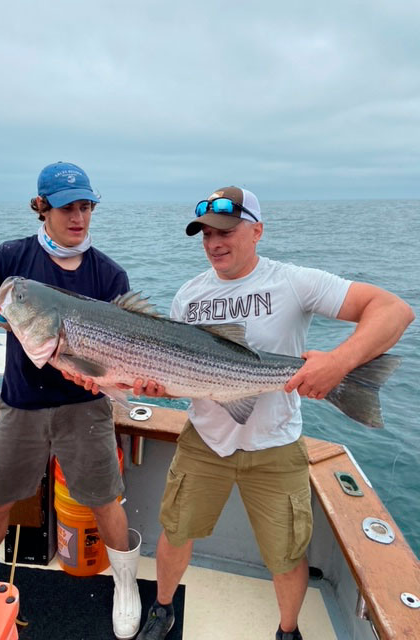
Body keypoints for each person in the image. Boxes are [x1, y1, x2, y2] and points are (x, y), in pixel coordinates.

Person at [130, 186, 415, 640]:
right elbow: (183, 372)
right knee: (176, 533)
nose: (213, 242)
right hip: (205, 441)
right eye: (204, 233)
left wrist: (339, 363)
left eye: (225, 230)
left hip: (276, 446)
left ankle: (287, 631)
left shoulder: (292, 281)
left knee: (286, 554)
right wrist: (152, 385)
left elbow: (394, 310)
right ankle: (163, 607)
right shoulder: (188, 295)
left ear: (257, 230)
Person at [0, 162, 143, 640]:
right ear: (42, 209)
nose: (78, 217)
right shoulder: (11, 262)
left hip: (86, 408)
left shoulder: (108, 273)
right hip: (21, 406)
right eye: (65, 207)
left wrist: (114, 379)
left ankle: (125, 586)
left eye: (85, 206)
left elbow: (123, 354)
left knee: (103, 500)